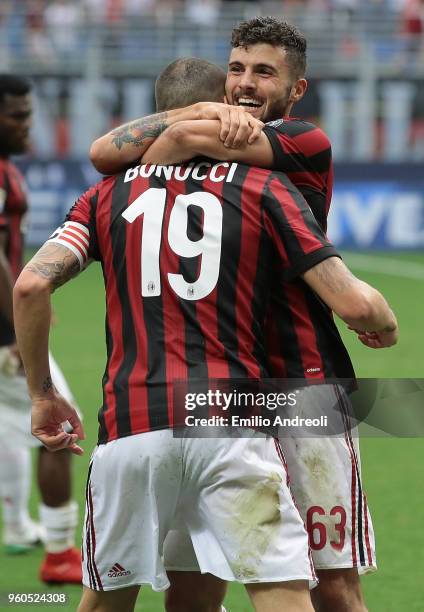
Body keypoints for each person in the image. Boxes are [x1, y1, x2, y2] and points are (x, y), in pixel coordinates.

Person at [14, 59, 398, 612]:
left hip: (130, 427)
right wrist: (383, 321)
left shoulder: (105, 196)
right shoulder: (261, 186)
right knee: (287, 592)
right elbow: (355, 304)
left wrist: (43, 396)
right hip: (231, 423)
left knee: (117, 600)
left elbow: (30, 287)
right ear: (219, 108)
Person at [0, 73, 82, 583]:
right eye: (17, 115)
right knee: (58, 422)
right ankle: (60, 553)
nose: (28, 125)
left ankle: (16, 526)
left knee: (10, 429)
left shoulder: (8, 169)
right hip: (2, 336)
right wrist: (13, 331)